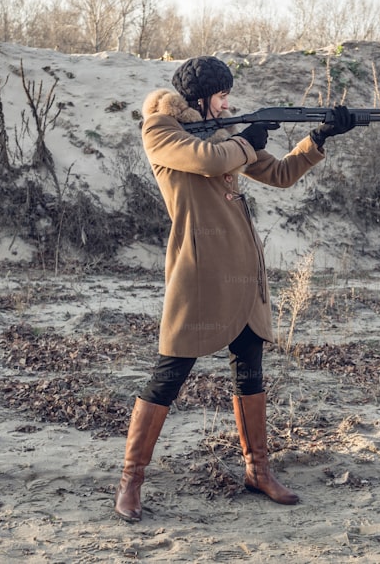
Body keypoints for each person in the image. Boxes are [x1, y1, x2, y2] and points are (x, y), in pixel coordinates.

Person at [114, 55, 355, 522]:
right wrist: (247, 139)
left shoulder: (226, 136)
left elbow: (280, 174)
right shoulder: (160, 129)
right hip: (199, 274)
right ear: (201, 97)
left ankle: (257, 471)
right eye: (222, 96)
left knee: (250, 371)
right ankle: (131, 481)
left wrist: (319, 138)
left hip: (244, 271)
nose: (227, 104)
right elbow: (207, 161)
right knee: (169, 374)